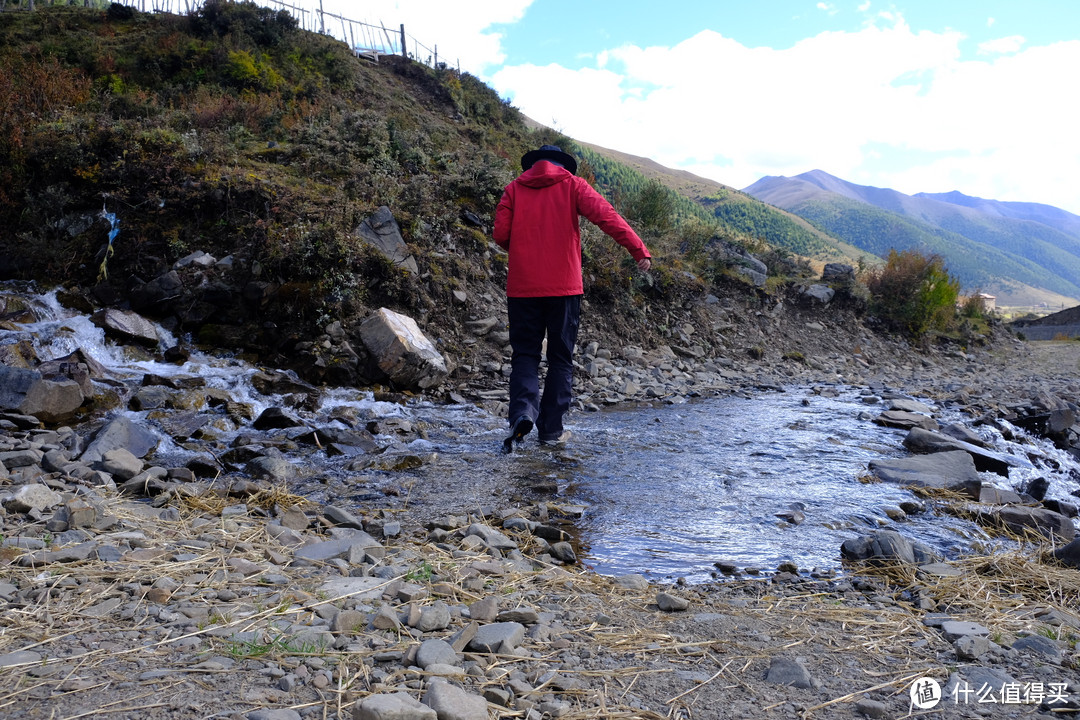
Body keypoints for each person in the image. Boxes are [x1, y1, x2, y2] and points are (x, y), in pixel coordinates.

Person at [493, 144, 652, 453]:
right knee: (560, 358)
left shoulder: (514, 189)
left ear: (534, 164)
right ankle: (551, 431)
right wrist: (638, 250)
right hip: (564, 287)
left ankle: (523, 413)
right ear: (561, 164)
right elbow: (607, 217)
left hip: (523, 287)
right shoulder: (573, 185)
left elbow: (500, 233)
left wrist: (525, 248)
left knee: (525, 355)